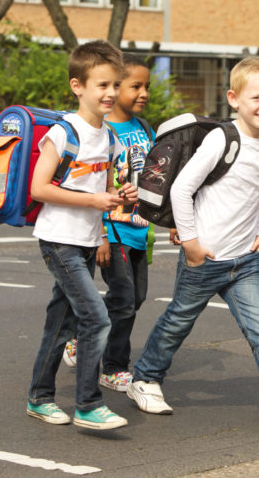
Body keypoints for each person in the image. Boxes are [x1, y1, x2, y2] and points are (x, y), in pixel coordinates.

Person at [127, 56, 259, 430]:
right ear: (234, 98)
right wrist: (190, 243)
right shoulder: (223, 139)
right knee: (178, 320)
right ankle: (144, 378)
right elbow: (181, 188)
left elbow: (253, 194)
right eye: (256, 98)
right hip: (205, 256)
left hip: (244, 260)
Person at [26, 40, 137, 430]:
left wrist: (119, 199)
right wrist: (94, 202)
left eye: (114, 85)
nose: (110, 93)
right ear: (78, 86)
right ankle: (89, 405)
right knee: (96, 318)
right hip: (59, 240)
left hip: (89, 240)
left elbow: (105, 189)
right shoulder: (62, 133)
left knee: (62, 323)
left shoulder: (109, 137)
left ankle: (39, 397)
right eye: (101, 85)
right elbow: (40, 188)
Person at [96, 54, 156, 392]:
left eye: (146, 86)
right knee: (123, 297)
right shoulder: (102, 132)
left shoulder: (145, 129)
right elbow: (91, 185)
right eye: (136, 86)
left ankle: (81, 328)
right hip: (113, 229)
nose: (144, 93)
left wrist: (172, 222)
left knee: (136, 298)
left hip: (139, 229)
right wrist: (100, 234)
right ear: (115, 88)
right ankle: (114, 367)